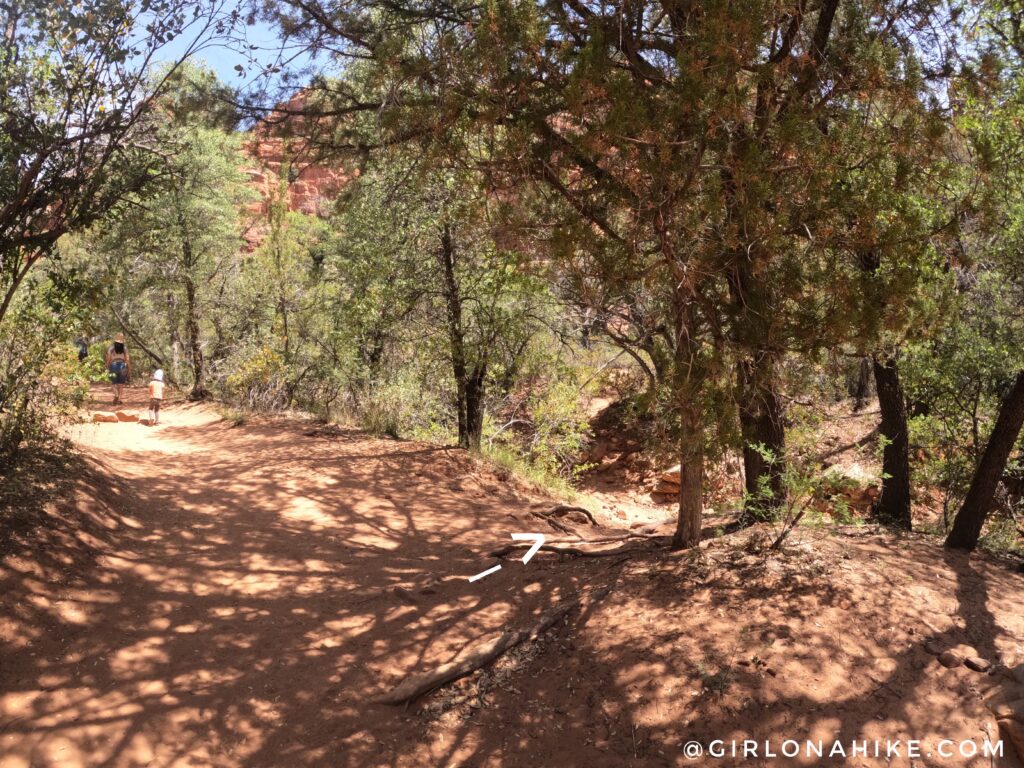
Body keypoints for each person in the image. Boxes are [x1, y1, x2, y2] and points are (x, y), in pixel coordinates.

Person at [105, 333, 131, 405]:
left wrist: (108, 366)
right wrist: (129, 368)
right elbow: (127, 359)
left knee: (113, 382)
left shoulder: (111, 348)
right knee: (121, 384)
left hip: (113, 365)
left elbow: (108, 358)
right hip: (122, 365)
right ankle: (119, 399)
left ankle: (116, 394)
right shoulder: (124, 348)